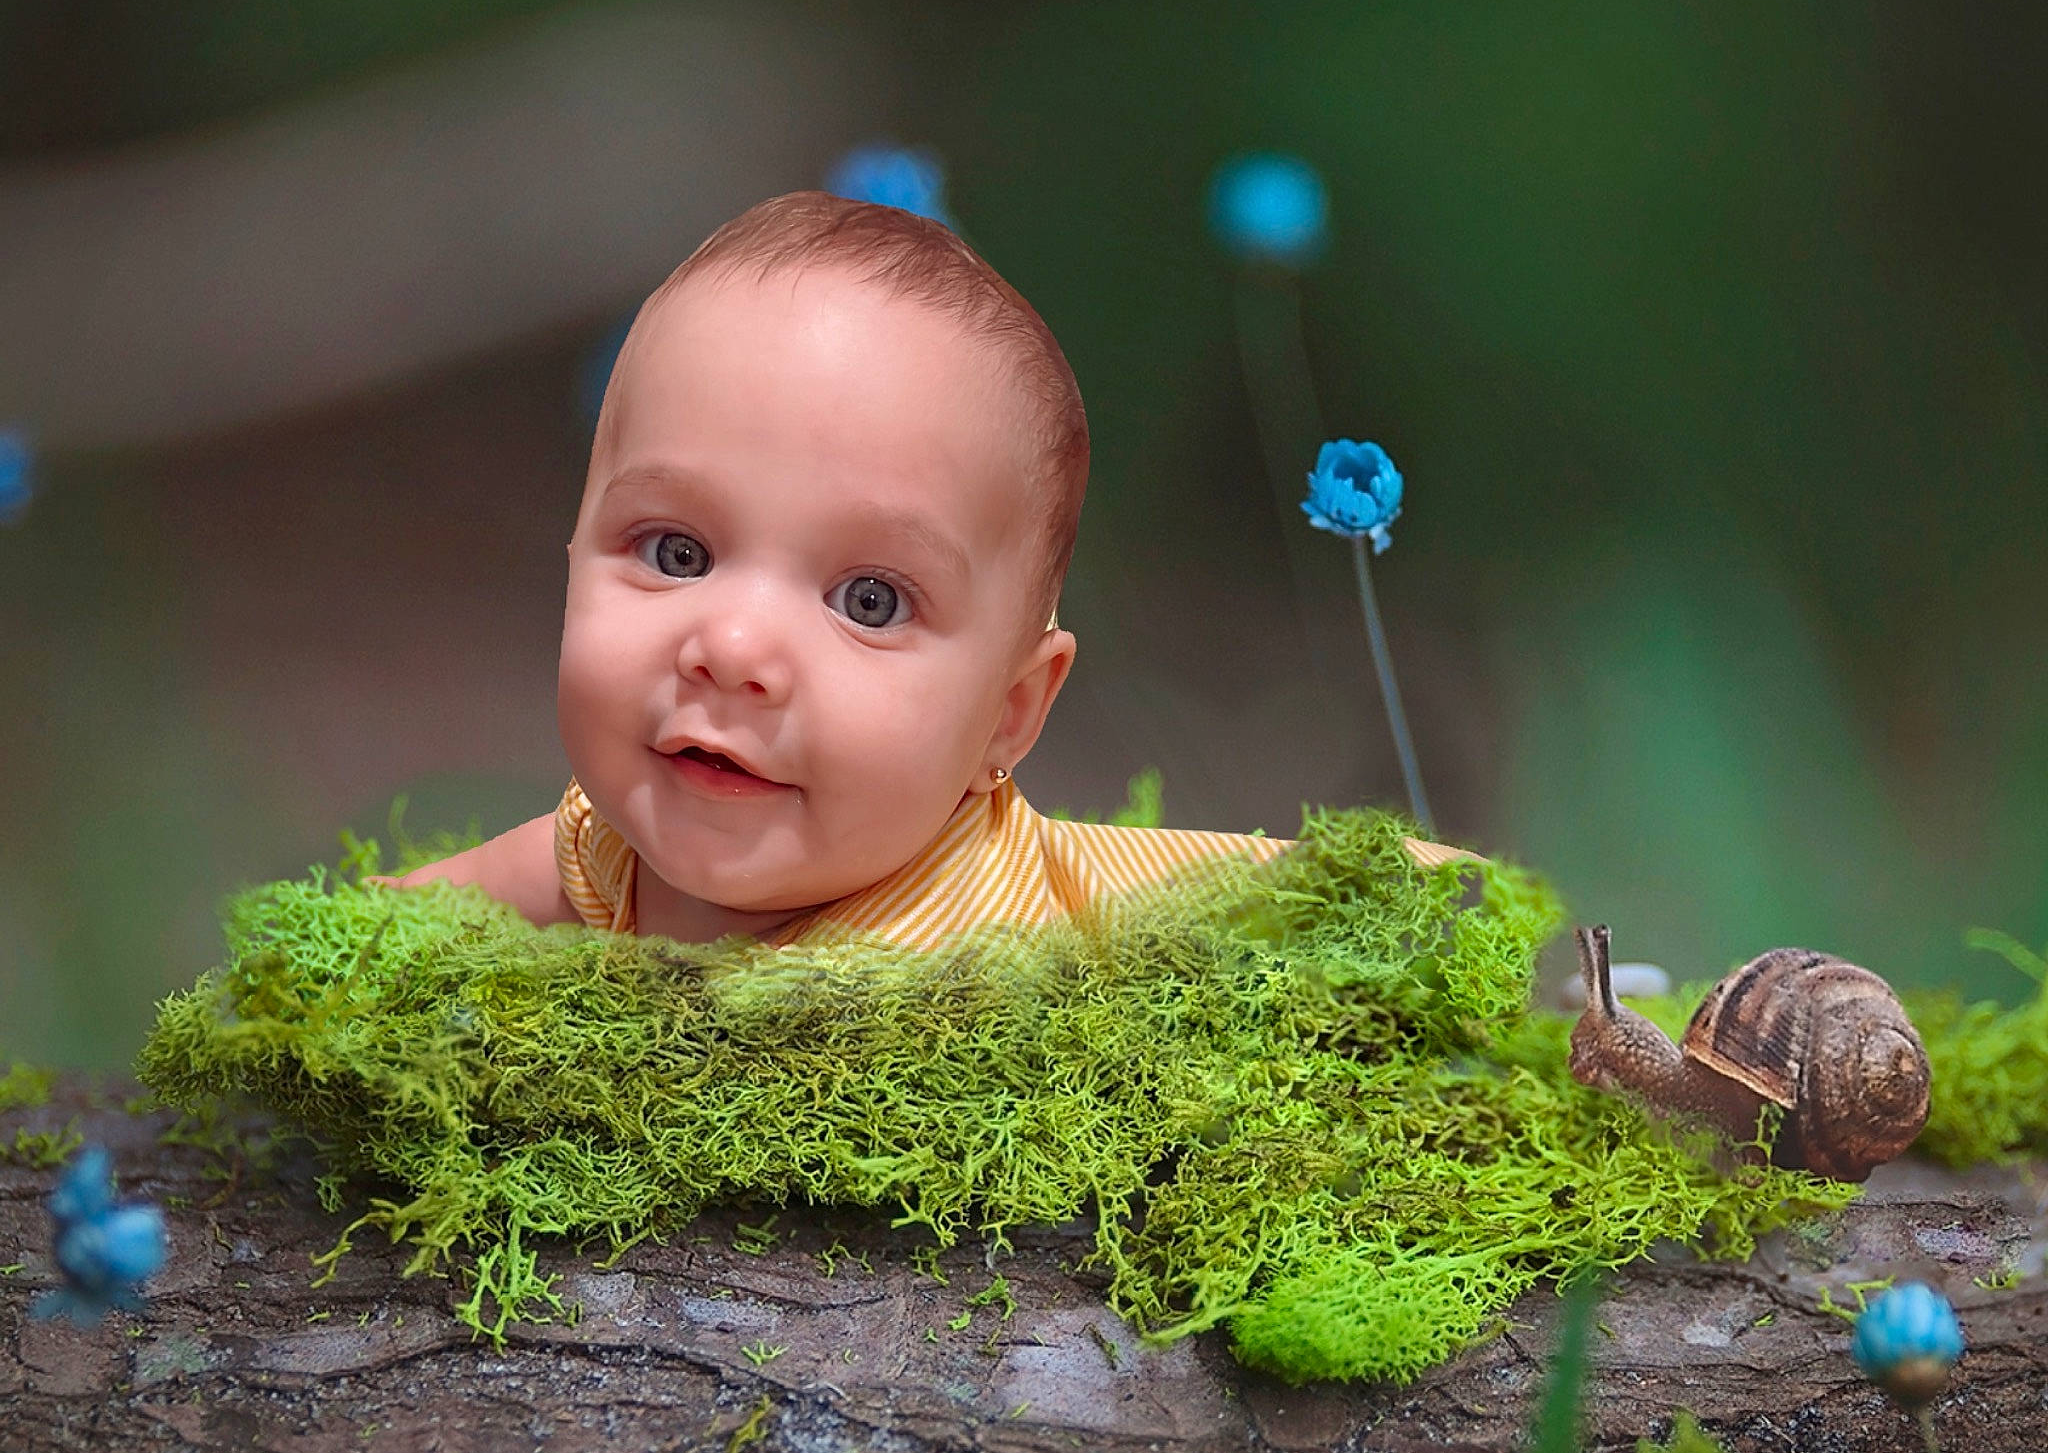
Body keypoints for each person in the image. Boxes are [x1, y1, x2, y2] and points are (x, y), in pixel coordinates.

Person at [392, 192, 1456, 946]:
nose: (732, 647)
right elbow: (375, 927)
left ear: (1009, 713)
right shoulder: (598, 856)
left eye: (869, 600)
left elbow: (1320, 889)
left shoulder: (1027, 916)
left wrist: (1487, 923)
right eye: (678, 553)